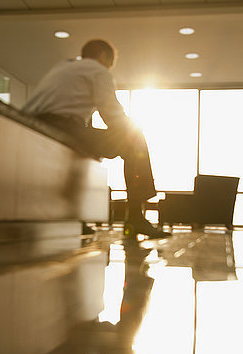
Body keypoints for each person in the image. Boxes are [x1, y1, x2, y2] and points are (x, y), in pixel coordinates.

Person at [23, 39, 170, 238]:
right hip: (62, 127)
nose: (110, 68)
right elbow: (111, 114)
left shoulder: (63, 67)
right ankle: (135, 217)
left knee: (89, 150)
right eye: (111, 63)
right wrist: (130, 134)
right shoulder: (98, 71)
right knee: (136, 141)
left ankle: (74, 218)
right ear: (103, 56)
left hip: (31, 126)